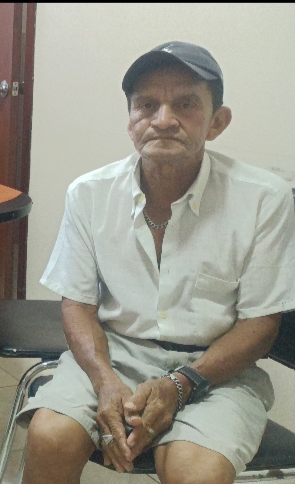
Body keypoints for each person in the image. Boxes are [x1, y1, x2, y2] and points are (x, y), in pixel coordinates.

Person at [18, 41, 295, 484]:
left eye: (185, 104)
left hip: (216, 368)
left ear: (218, 122)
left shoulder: (264, 199)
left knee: (195, 472)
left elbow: (261, 324)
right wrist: (104, 380)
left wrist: (180, 385)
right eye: (146, 105)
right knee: (51, 437)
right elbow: (78, 305)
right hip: (114, 352)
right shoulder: (89, 194)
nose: (163, 120)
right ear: (130, 121)